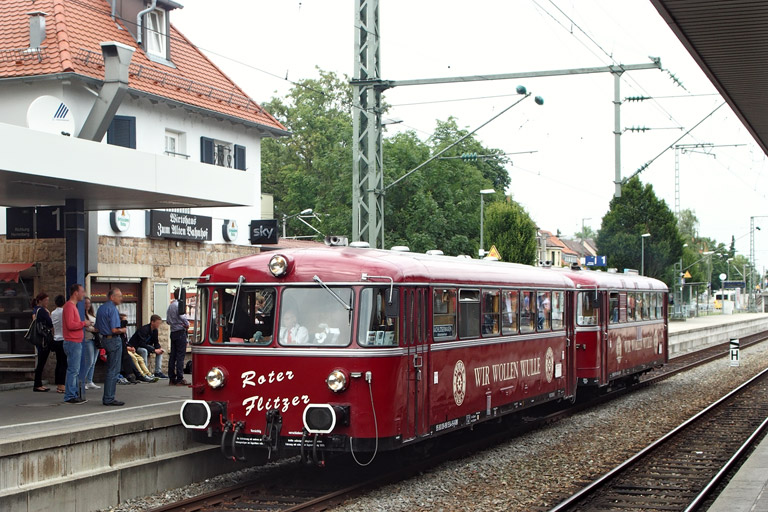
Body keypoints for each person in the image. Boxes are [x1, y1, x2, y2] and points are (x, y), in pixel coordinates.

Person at [62, 283, 93, 404]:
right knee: (73, 370)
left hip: (75, 341)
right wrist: (83, 323)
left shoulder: (72, 306)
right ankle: (70, 395)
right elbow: (70, 325)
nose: (83, 294)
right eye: (82, 292)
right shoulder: (69, 306)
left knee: (74, 369)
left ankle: (72, 393)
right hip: (72, 341)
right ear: (76, 293)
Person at [95, 288, 126, 406]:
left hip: (104, 339)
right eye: (119, 296)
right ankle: (109, 397)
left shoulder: (101, 308)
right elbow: (114, 329)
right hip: (113, 339)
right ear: (112, 297)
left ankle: (108, 396)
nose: (121, 298)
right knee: (113, 370)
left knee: (110, 369)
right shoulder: (112, 309)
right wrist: (122, 329)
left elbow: (97, 327)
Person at [166, 289, 190, 386]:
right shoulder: (179, 306)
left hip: (173, 331)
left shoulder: (171, 306)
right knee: (180, 356)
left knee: (173, 355)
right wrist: (187, 324)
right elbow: (183, 317)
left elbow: (167, 321)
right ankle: (180, 378)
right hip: (180, 332)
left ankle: (172, 378)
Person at [31, 293, 52, 392]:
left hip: (39, 338)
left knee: (40, 361)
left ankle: (38, 383)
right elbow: (50, 323)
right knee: (41, 362)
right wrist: (48, 314)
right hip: (44, 338)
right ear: (41, 301)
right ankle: (37, 384)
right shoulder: (43, 311)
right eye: (46, 300)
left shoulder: (35, 310)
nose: (47, 302)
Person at [49, 295, 68, 393]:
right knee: (64, 363)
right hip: (63, 339)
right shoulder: (64, 312)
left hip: (56, 338)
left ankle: (58, 384)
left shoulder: (53, 313)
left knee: (59, 362)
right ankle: (62, 385)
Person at [83, 297, 100, 390]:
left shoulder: (91, 314)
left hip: (95, 339)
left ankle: (89, 381)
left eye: (89, 303)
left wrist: (92, 326)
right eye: (85, 303)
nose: (87, 305)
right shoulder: (82, 315)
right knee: (89, 361)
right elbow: (86, 326)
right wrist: (93, 327)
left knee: (93, 361)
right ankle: (83, 380)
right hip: (87, 338)